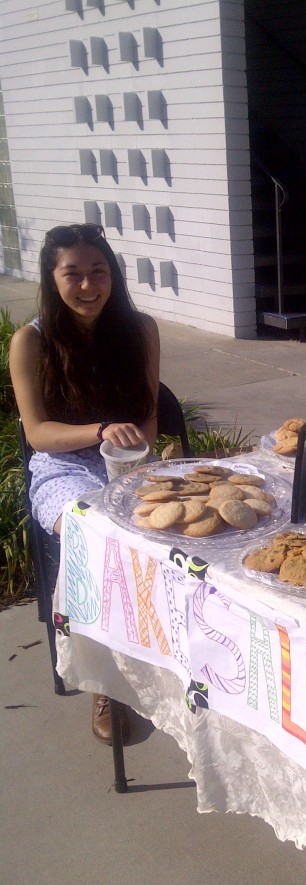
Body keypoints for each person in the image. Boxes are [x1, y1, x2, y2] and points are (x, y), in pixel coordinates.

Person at [10, 223, 160, 743]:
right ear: (52, 279)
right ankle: (106, 681)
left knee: (175, 529)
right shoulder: (31, 341)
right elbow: (38, 433)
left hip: (129, 460)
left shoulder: (141, 330)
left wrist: (130, 454)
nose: (88, 285)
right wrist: (99, 431)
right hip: (63, 467)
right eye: (72, 274)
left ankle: (169, 652)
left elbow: (147, 419)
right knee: (94, 534)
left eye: (99, 271)